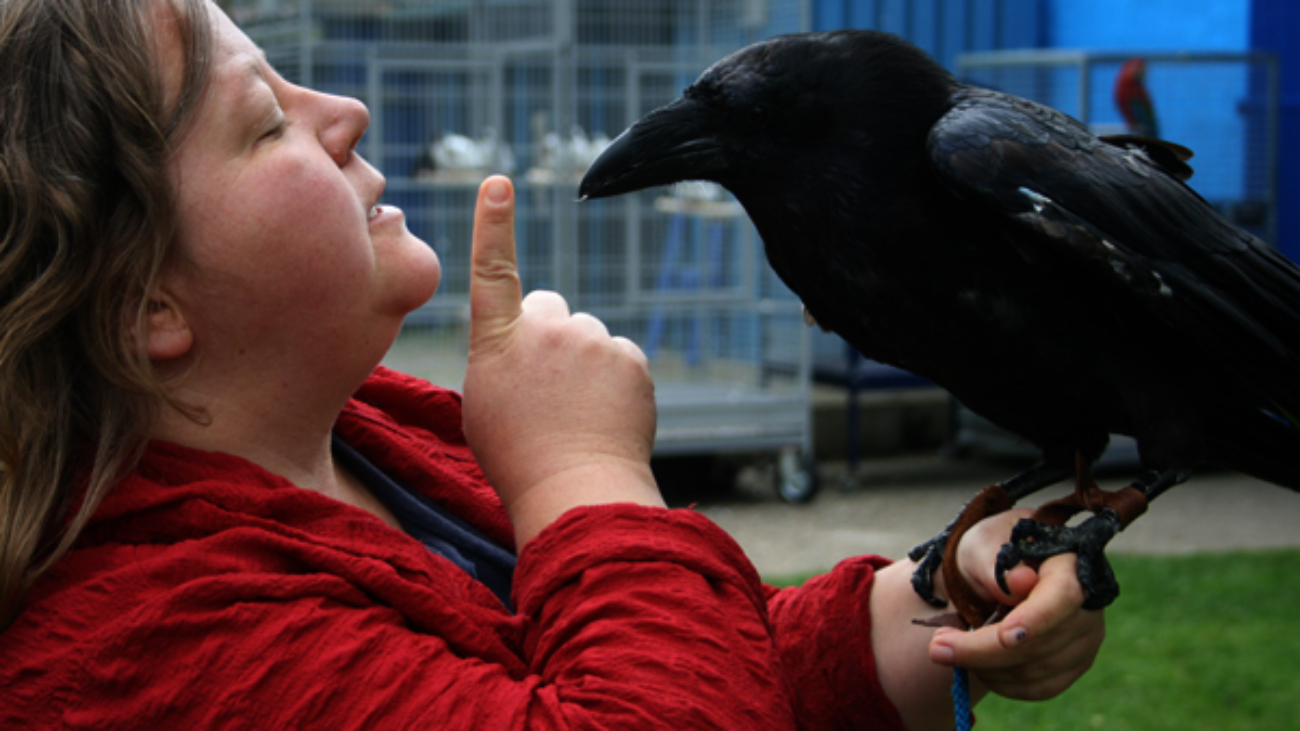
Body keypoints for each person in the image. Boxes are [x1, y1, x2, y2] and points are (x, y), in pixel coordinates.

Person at [0, 0, 1104, 728]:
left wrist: (934, 598)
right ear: (149, 299)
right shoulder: (145, 640)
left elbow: (687, 657)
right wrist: (581, 477)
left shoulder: (385, 433)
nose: (343, 111)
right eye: (262, 121)